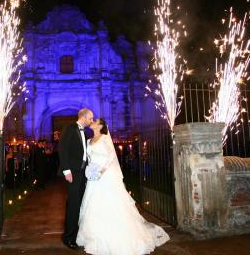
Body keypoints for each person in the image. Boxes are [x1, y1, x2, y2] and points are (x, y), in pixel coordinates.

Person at [76, 118, 169, 254]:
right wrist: (90, 170)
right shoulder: (89, 140)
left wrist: (102, 170)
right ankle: (95, 234)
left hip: (105, 175)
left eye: (95, 121)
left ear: (100, 125)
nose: (92, 122)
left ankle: (115, 233)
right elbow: (89, 158)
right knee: (93, 203)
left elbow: (111, 157)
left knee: (110, 202)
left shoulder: (104, 138)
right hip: (93, 177)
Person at [58, 108, 94, 250]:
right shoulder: (70, 128)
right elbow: (62, 149)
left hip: (81, 173)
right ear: (83, 117)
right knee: (73, 204)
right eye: (90, 118)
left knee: (78, 203)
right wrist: (66, 170)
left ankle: (75, 233)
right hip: (72, 172)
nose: (91, 121)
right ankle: (68, 237)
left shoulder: (84, 132)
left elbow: (84, 153)